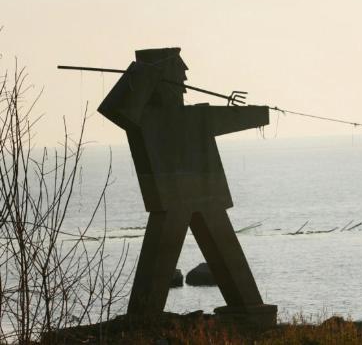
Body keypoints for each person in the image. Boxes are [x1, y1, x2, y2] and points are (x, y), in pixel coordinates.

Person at [98, 47, 276, 326]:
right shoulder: (146, 118)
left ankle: (248, 309)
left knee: (225, 258)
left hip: (206, 199)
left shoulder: (195, 117)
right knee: (163, 262)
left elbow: (246, 116)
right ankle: (146, 316)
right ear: (162, 78)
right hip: (174, 200)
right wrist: (144, 73)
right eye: (178, 73)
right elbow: (115, 109)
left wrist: (262, 112)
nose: (185, 78)